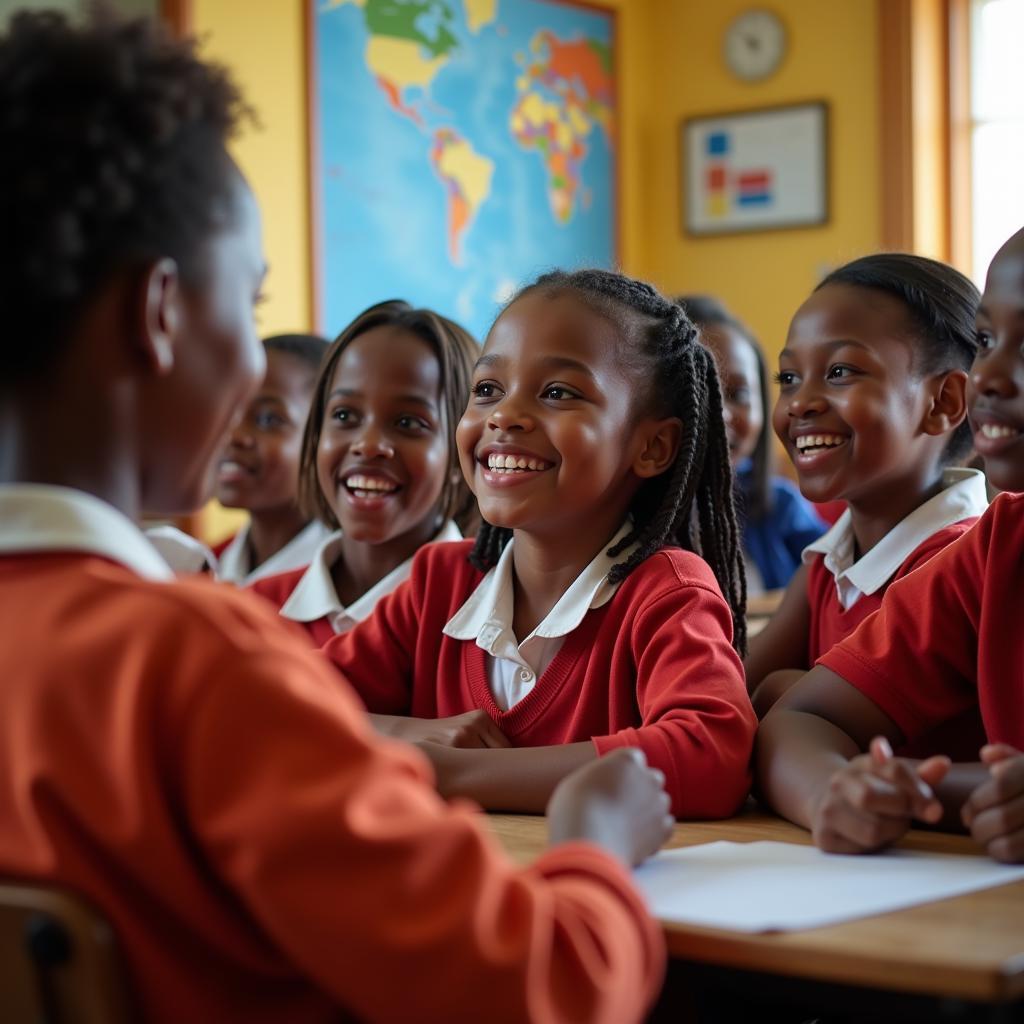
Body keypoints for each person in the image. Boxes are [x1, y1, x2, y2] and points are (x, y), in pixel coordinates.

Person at [0, 11, 673, 1022]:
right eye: (251, 298)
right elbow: (548, 989)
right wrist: (594, 838)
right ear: (163, 313)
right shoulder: (188, 662)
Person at [323, 269, 757, 818]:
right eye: (487, 390)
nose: (504, 416)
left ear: (652, 446)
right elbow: (279, 704)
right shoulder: (439, 582)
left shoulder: (667, 593)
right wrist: (403, 735)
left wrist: (453, 774)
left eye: (557, 393)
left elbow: (713, 754)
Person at [756, 225, 1024, 864]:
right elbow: (780, 711)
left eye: (842, 371)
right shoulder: (993, 553)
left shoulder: (951, 546)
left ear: (942, 403)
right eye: (986, 341)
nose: (992, 371)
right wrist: (836, 791)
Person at [744, 254, 989, 720]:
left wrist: (780, 690)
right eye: (789, 378)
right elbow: (734, 686)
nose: (800, 404)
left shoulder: (957, 562)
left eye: (840, 372)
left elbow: (805, 714)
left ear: (944, 402)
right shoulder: (829, 561)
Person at [249, 301, 477, 645]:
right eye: (344, 416)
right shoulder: (257, 610)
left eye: (408, 423)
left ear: (462, 454)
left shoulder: (488, 616)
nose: (368, 445)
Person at [679, 294, 826, 595]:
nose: (721, 413)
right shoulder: (622, 522)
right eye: (700, 389)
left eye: (739, 395)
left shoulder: (782, 508)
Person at [212, 332, 331, 584]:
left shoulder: (347, 584)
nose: (232, 435)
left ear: (328, 439)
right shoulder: (204, 567)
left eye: (268, 419)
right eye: (226, 410)